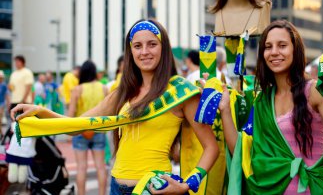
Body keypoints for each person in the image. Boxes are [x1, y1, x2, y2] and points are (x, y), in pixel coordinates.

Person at [11, 19, 219, 195]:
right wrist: (41, 112)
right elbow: (78, 126)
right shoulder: (123, 92)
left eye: (152, 44)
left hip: (154, 189)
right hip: (116, 186)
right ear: (130, 51)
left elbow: (211, 147)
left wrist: (187, 185)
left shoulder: (180, 91)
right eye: (137, 46)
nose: (144, 52)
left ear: (163, 47)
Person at [217, 20, 323, 194]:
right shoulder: (262, 99)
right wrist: (225, 109)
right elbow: (243, 155)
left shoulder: (313, 91)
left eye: (282, 45)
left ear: (296, 49)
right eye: (268, 47)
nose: (274, 52)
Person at [68, 60, 108, 195]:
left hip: (80, 131)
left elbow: (71, 113)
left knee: (81, 168)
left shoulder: (77, 90)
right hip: (98, 130)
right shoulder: (103, 88)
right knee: (100, 167)